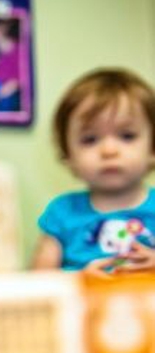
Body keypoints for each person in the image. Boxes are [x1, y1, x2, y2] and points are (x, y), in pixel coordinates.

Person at [32, 68, 155, 275]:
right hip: (84, 306)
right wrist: (78, 279)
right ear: (68, 156)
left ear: (152, 149)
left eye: (127, 136)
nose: (109, 150)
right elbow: (39, 281)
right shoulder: (61, 212)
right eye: (90, 139)